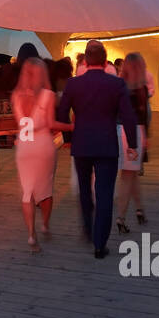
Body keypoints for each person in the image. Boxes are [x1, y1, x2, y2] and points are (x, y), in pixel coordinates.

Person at [54, 40, 137, 259]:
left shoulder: (73, 84)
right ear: (104, 57)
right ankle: (100, 243)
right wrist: (133, 145)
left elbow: (61, 113)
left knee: (84, 189)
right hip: (107, 145)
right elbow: (128, 116)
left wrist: (69, 137)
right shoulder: (117, 84)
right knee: (104, 193)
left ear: (86, 59)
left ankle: (87, 228)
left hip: (81, 144)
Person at [11, 57, 59, 250]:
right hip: (42, 143)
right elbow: (50, 124)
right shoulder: (48, 94)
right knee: (46, 188)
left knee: (27, 191)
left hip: (25, 144)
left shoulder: (16, 95)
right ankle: (45, 224)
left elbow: (19, 123)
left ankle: (31, 234)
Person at [114, 52, 151, 232]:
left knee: (131, 173)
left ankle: (139, 209)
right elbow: (144, 117)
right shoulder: (141, 89)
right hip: (135, 132)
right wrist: (146, 139)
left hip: (119, 131)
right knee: (128, 177)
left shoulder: (119, 86)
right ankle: (120, 217)